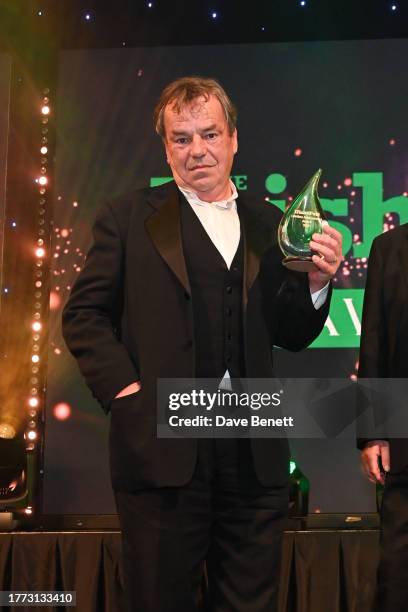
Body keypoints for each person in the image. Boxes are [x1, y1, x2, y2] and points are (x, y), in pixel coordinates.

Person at [62, 76, 342, 612]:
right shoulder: (126, 218)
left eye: (209, 134)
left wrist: (317, 284)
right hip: (161, 454)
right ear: (166, 148)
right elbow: (83, 315)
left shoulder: (271, 223)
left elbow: (293, 334)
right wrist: (128, 393)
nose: (198, 151)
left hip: (253, 455)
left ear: (233, 138)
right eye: (182, 138)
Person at [359, 225, 408, 612]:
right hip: (404, 443)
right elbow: (374, 341)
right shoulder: (389, 247)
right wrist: (373, 433)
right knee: (397, 571)